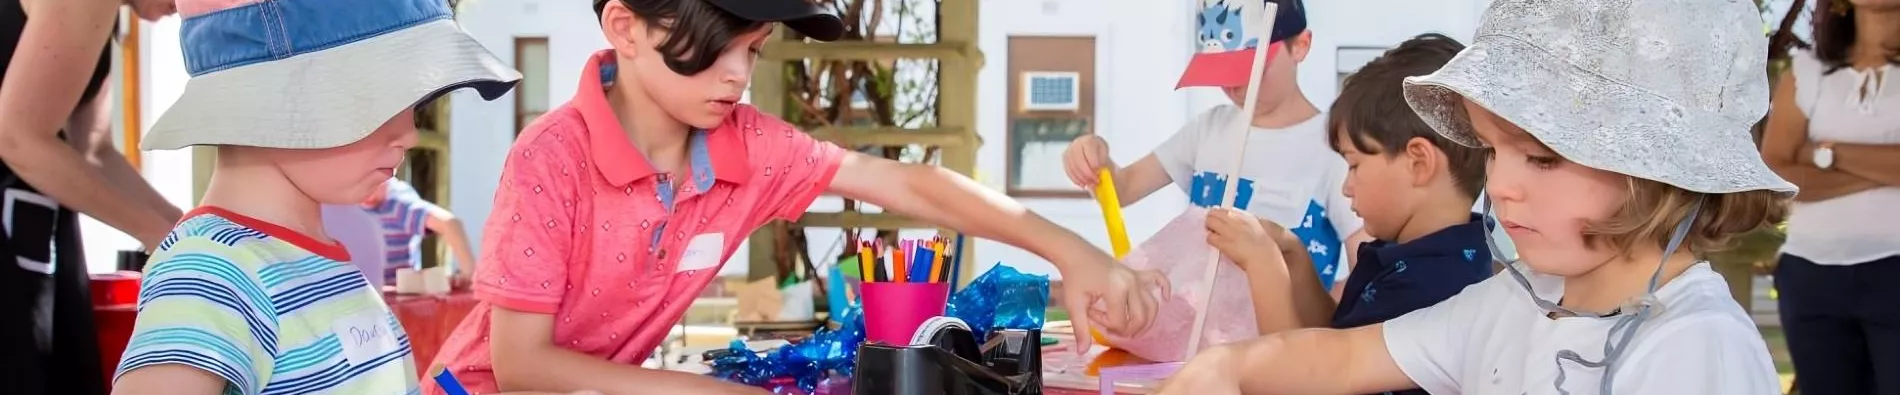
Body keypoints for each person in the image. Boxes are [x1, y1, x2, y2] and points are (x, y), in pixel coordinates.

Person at [421, 1, 1168, 394]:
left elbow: (909, 182)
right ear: (626, 26)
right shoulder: (551, 157)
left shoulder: (748, 145)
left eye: (753, 48)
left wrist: (1074, 252)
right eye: (717, 42)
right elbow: (520, 364)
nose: (738, 74)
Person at [1154, 0, 1792, 393]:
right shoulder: (1511, 305)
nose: (1501, 185)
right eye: (1492, 151)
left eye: (1542, 157)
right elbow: (1343, 358)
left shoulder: (1696, 347)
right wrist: (1226, 369)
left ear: (1660, 167)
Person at [104, 0, 581, 393]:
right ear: (270, 97)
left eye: (413, 104)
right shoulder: (210, 271)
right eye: (381, 99)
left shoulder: (320, 262)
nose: (410, 134)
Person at [1206, 33, 1491, 360]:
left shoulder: (1432, 287)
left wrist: (1263, 265)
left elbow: (1303, 378)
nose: (1346, 187)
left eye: (1354, 165)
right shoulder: (1409, 254)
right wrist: (1293, 255)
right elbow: (1337, 339)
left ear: (1418, 163)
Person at [1064, 0, 1369, 297]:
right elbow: (1122, 188)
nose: (1235, 86)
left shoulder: (1337, 148)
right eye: (1223, 72)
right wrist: (1094, 160)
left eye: (1251, 69)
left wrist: (1322, 319)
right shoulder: (1208, 129)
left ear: (1301, 45)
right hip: (1193, 333)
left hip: (1280, 343)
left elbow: (1367, 268)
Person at [1, 1, 183, 394]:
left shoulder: (109, 13)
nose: (183, 8)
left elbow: (93, 149)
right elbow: (17, 139)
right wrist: (156, 233)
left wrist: (182, 225)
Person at [1760, 0, 1900, 393]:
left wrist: (1823, 154)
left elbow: (1793, 165)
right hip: (1811, 275)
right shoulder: (1807, 72)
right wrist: (1884, 170)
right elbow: (1775, 174)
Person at [361, 178, 479, 288]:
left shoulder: (399, 205)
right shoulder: (346, 203)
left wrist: (469, 272)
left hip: (396, 292)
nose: (368, 194)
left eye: (375, 184)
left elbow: (450, 224)